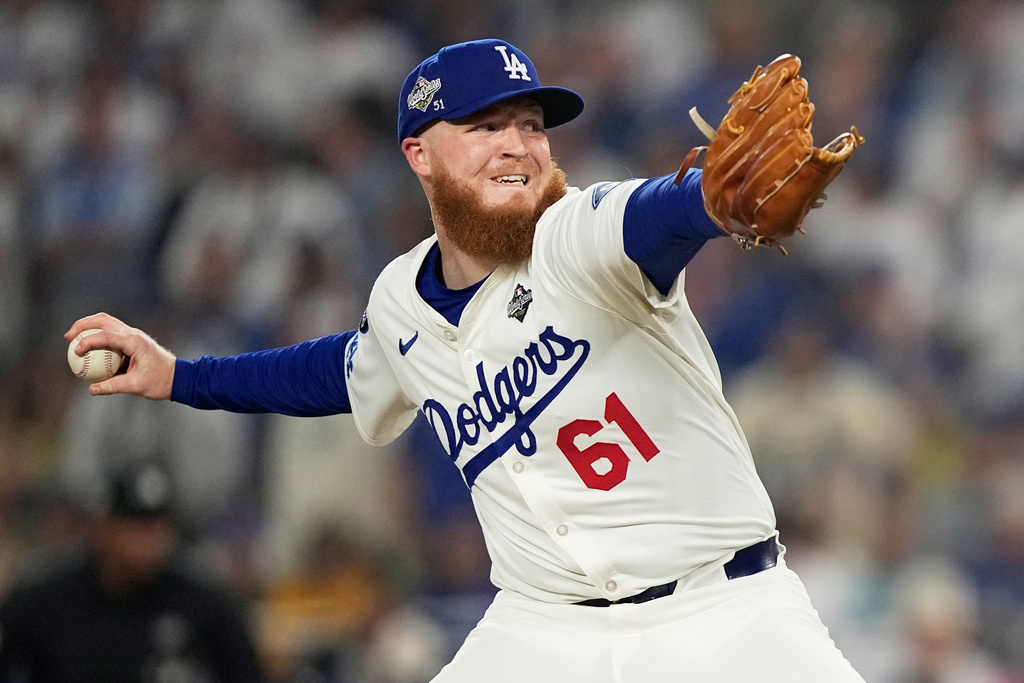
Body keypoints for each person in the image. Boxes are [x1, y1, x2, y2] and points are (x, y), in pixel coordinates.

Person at [66, 38, 866, 682]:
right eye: (486, 127)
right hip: (545, 628)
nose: (518, 147)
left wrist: (708, 206)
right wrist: (176, 375)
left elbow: (654, 215)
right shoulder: (399, 302)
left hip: (723, 613)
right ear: (420, 154)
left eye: (531, 125)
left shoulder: (576, 237)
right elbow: (333, 372)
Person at [0, 461, 267, 683]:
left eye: (158, 526)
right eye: (137, 527)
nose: (151, 541)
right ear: (102, 528)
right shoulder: (44, 602)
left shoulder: (207, 606)